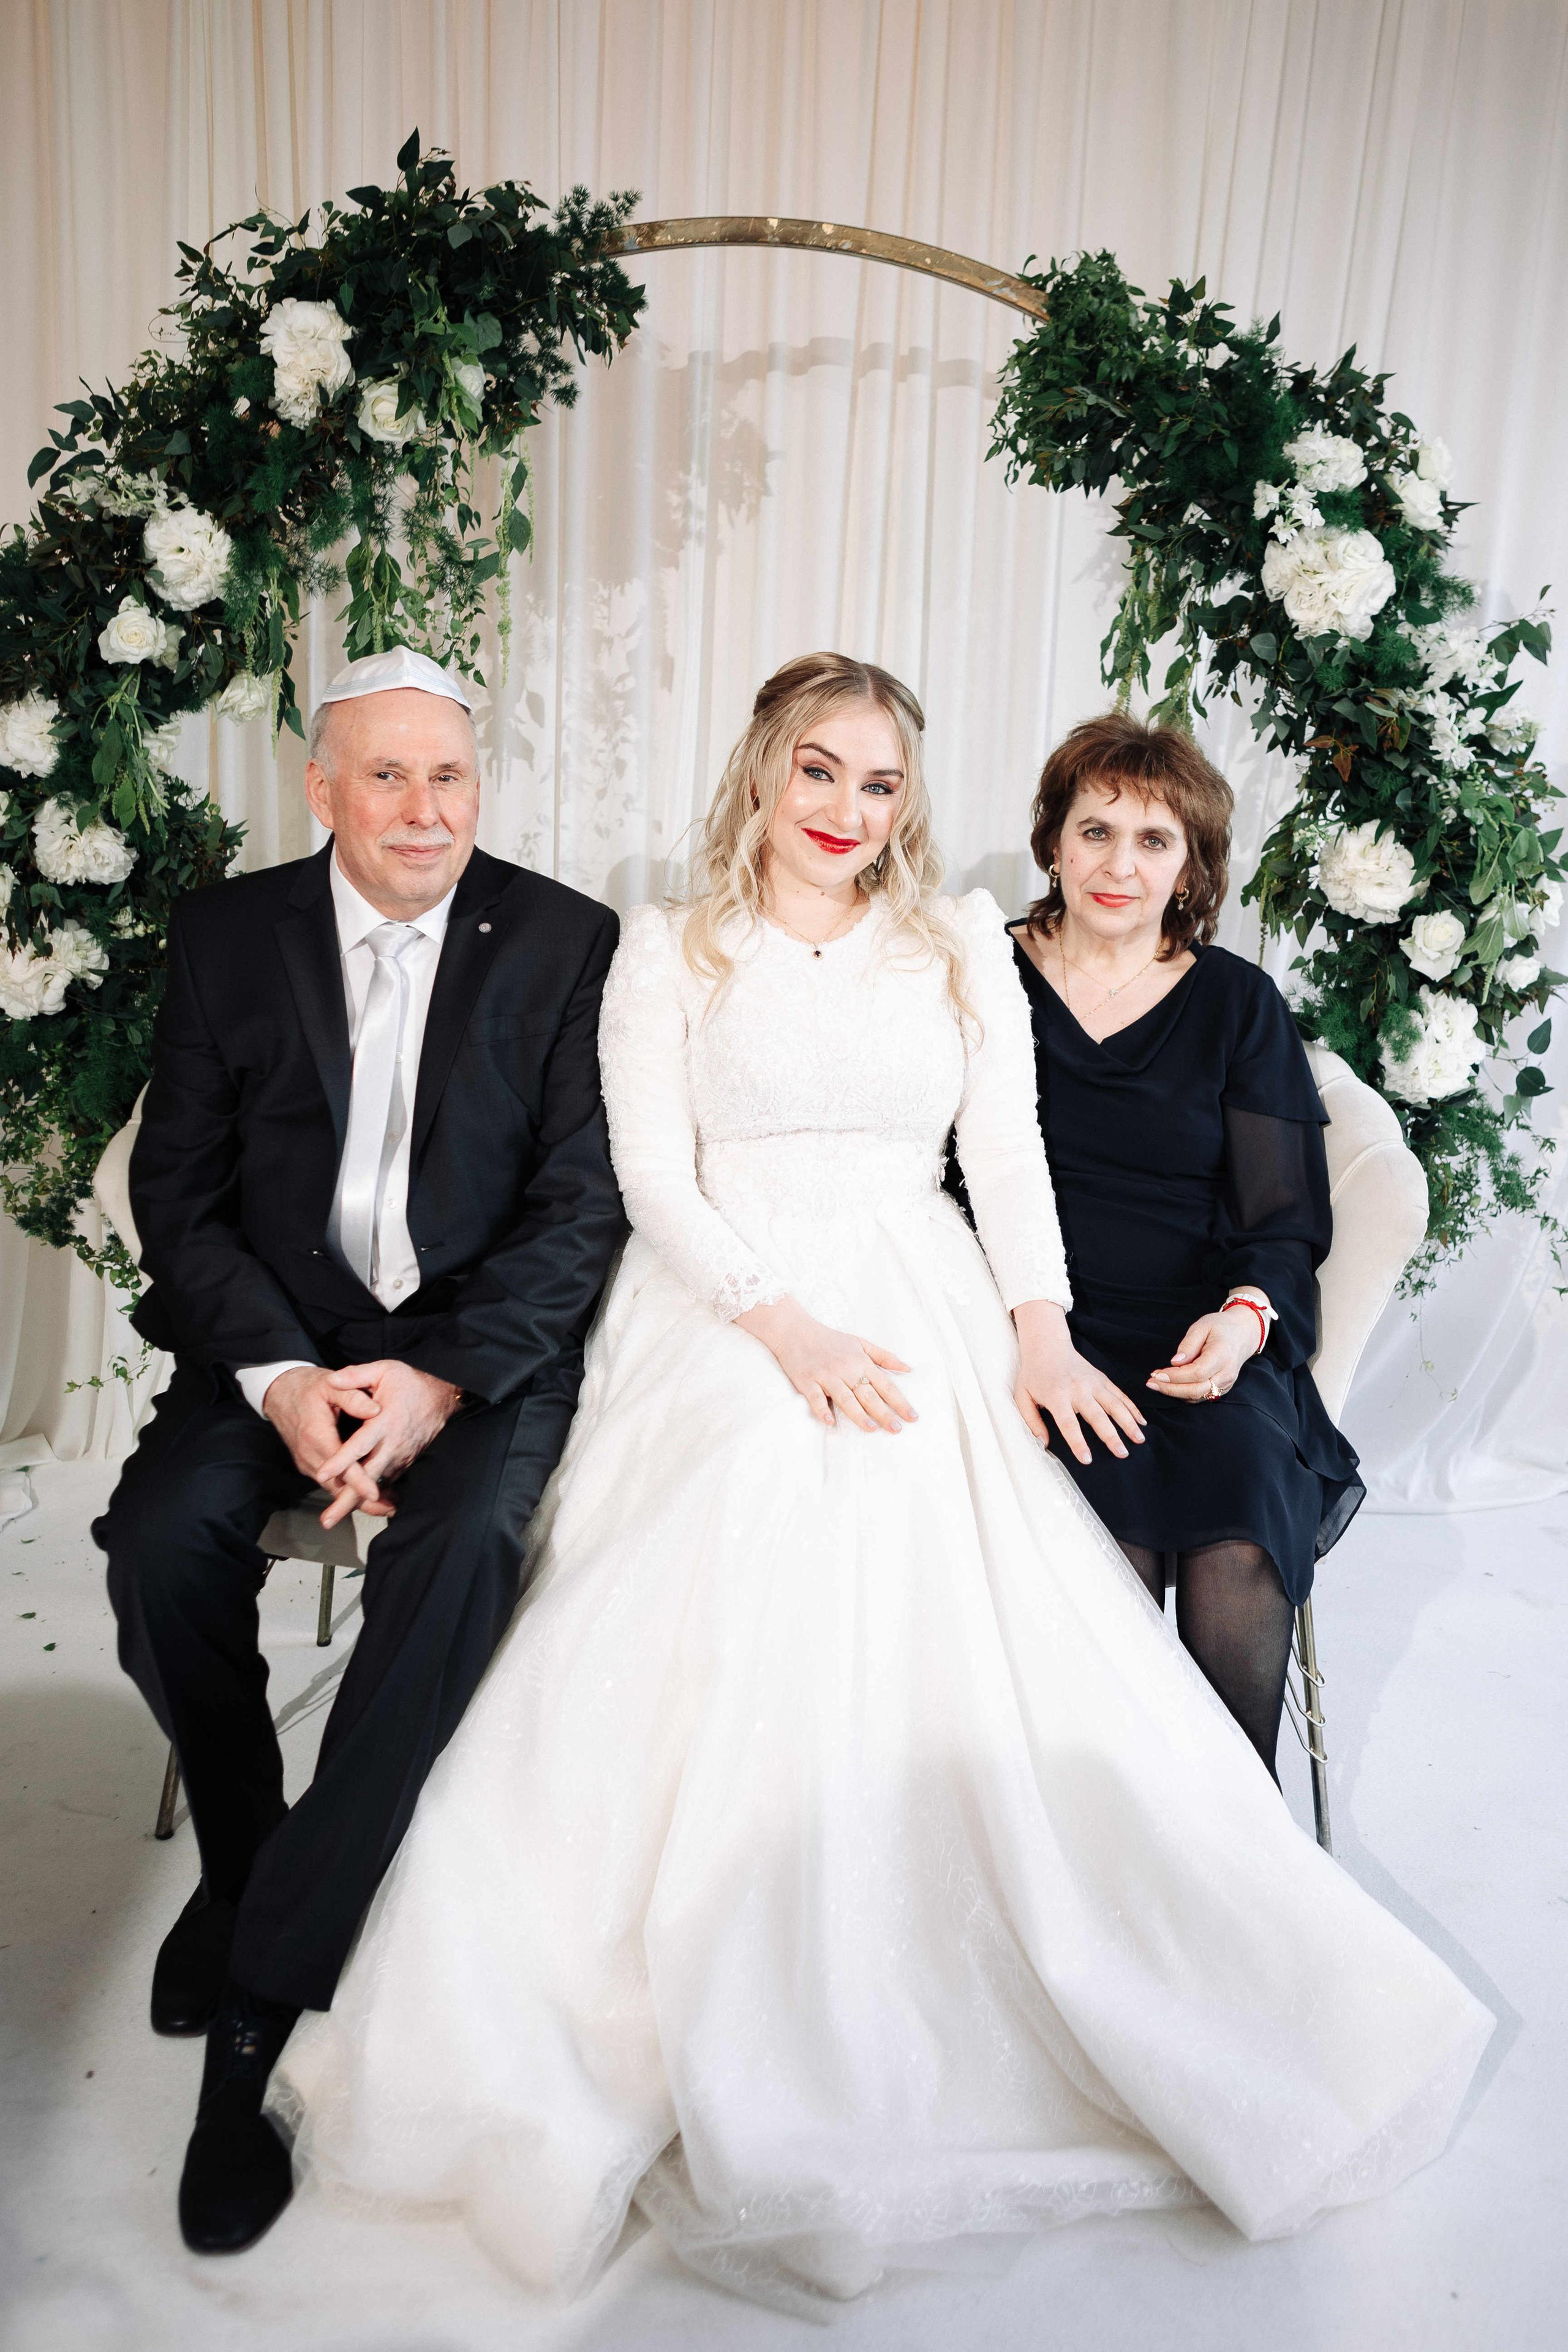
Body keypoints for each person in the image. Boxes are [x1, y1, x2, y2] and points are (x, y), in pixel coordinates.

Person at [271, 652, 1489, 2313]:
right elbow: (653, 1175)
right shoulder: (666, 950)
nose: (850, 812)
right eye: (821, 774)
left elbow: (1000, 1160)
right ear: (766, 777)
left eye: (883, 783)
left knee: (971, 1556)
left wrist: (1041, 1334)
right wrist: (780, 1329)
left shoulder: (953, 948)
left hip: (922, 1278)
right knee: (748, 1522)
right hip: (730, 1297)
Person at [92, 647, 626, 2256]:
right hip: (276, 1356)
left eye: (448, 776)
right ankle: (250, 1852)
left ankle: (258, 2001)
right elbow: (173, 1195)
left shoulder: (564, 941)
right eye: (384, 776)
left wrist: (440, 1383)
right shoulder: (227, 939)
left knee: (457, 1556)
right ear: (319, 792)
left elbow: (583, 1202)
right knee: (159, 1542)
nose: (422, 807)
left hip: (474, 1369)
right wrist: (278, 1377)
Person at [994, 711, 1364, 1777]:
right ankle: (1100, 1853)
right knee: (1095, 1544)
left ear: (1192, 866)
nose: (1120, 864)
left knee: (1240, 1527)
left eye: (1155, 841)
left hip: (1197, 1329)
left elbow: (1284, 1222)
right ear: (1053, 842)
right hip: (1034, 1318)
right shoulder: (980, 974)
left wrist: (1245, 1322)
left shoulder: (1238, 1004)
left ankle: (1239, 1849)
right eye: (1096, 830)